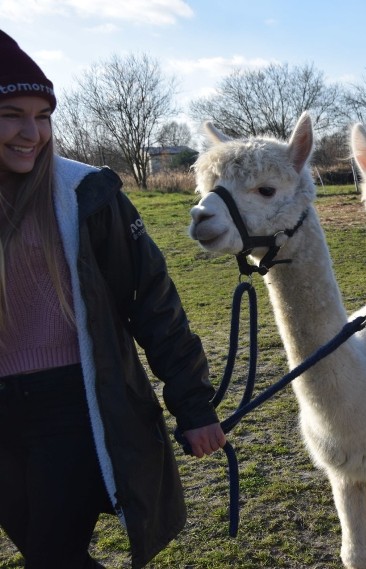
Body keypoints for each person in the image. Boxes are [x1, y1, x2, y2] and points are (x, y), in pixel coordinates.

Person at [0, 30, 226, 568]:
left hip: (71, 405)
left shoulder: (87, 195)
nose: (32, 132)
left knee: (52, 558)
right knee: (45, 551)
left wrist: (193, 405)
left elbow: (153, 304)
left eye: (43, 115)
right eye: (11, 114)